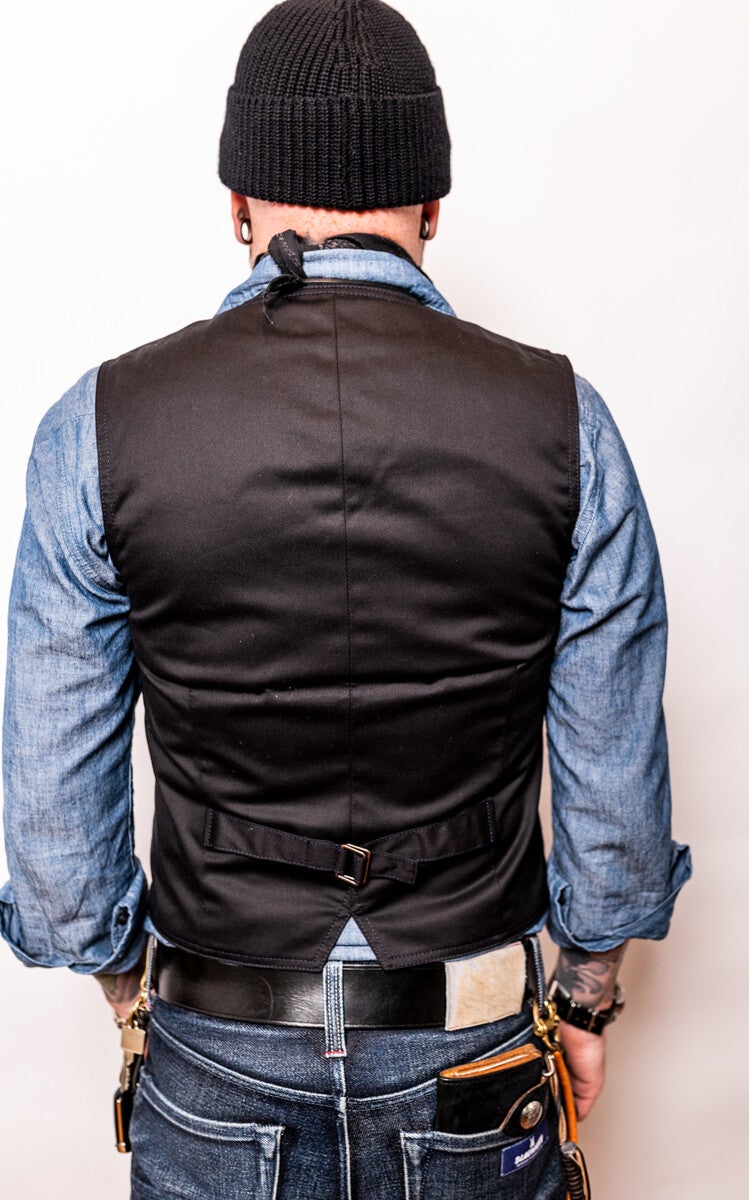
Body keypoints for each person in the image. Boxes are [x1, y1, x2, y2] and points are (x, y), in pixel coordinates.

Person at [0, 2, 691, 1197]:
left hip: (215, 1045)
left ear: (237, 204)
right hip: (470, 1046)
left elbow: (58, 829)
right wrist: (584, 999)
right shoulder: (565, 423)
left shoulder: (96, 428)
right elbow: (612, 797)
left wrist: (127, 995)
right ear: (431, 205)